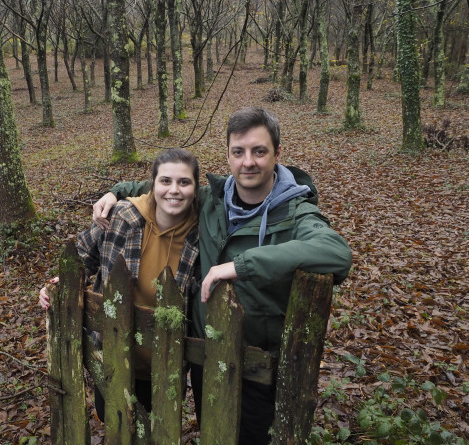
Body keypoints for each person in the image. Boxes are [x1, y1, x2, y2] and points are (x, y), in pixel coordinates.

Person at [92, 107, 353, 444]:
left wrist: (242, 266)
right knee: (213, 433)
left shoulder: (296, 212)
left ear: (277, 154)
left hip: (256, 364)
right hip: (205, 355)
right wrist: (116, 191)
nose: (248, 162)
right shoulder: (212, 199)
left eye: (259, 151)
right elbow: (164, 188)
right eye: (238, 152)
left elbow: (336, 252)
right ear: (228, 155)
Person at [39, 148, 201, 420]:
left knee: (158, 431)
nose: (174, 190)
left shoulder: (201, 233)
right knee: (114, 423)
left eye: (184, 182)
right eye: (165, 181)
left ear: (195, 189)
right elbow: (80, 255)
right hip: (112, 351)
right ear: (153, 184)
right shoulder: (122, 216)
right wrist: (54, 286)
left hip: (166, 362)